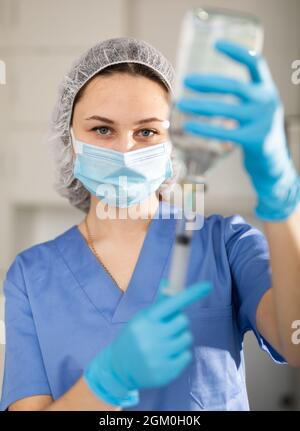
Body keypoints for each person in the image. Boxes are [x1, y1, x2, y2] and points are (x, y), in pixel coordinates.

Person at [0, 36, 299, 412]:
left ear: (173, 143)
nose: (126, 150)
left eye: (147, 132)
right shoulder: (31, 275)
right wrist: (107, 384)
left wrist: (280, 193)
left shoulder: (226, 244)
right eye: (102, 130)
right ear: (69, 137)